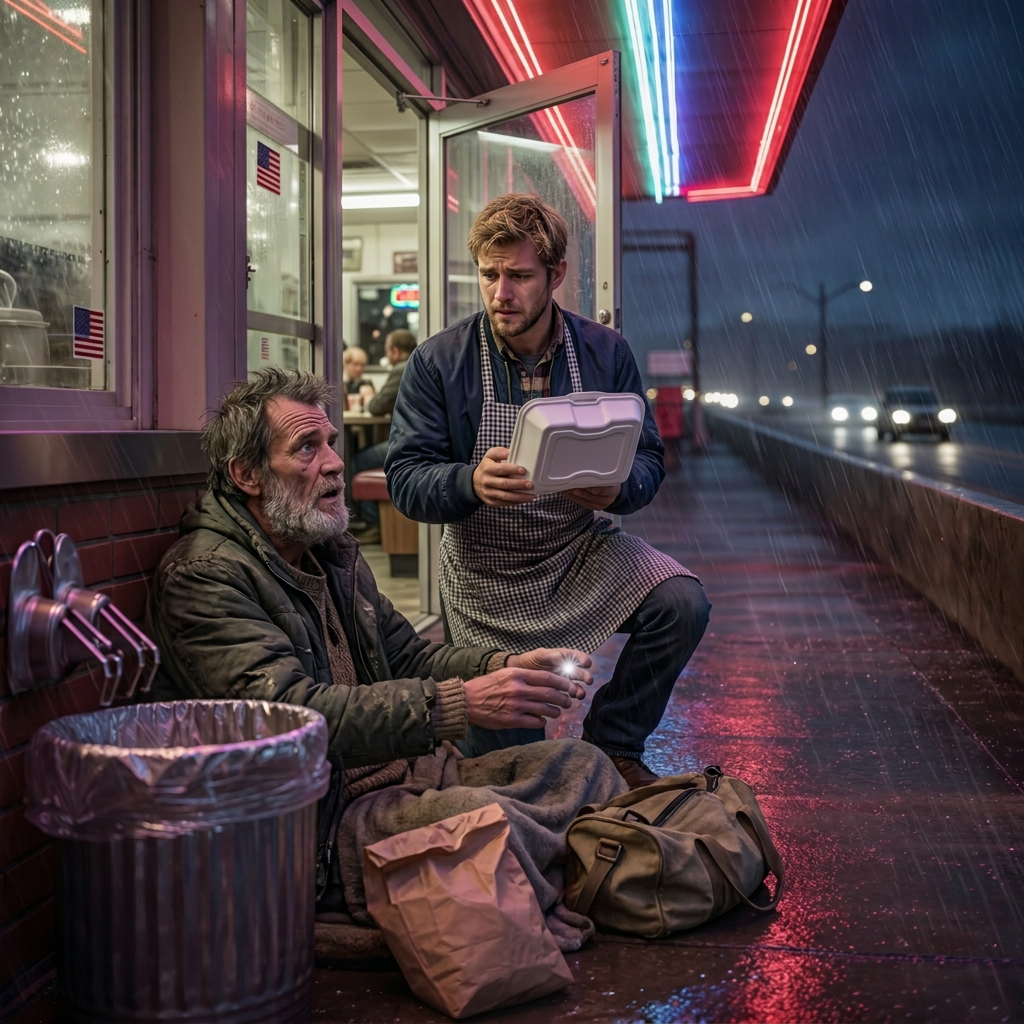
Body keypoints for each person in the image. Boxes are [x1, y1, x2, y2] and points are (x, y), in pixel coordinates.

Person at [145, 368, 623, 928]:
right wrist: (458, 705)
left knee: (580, 763)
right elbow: (291, 718)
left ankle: (566, 883)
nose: (334, 463)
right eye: (306, 448)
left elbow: (411, 658)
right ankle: (588, 883)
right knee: (493, 823)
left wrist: (502, 665)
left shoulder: (328, 549)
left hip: (409, 776)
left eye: (330, 443)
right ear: (247, 474)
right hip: (330, 824)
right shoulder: (204, 577)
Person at [385, 194, 711, 789]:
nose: (500, 293)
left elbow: (650, 460)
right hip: (484, 573)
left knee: (682, 603)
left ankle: (614, 746)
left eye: (518, 276)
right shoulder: (440, 361)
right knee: (513, 770)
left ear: (555, 275)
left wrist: (617, 490)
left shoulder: (606, 352)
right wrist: (468, 482)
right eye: (489, 275)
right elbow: (405, 479)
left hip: (578, 552)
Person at [352, 328, 417, 540]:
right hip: (418, 437)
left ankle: (372, 524)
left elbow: (377, 406)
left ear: (396, 351)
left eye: (388, 351)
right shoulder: (420, 363)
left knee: (358, 461)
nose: (387, 356)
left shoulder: (402, 368)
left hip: (409, 440)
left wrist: (371, 398)